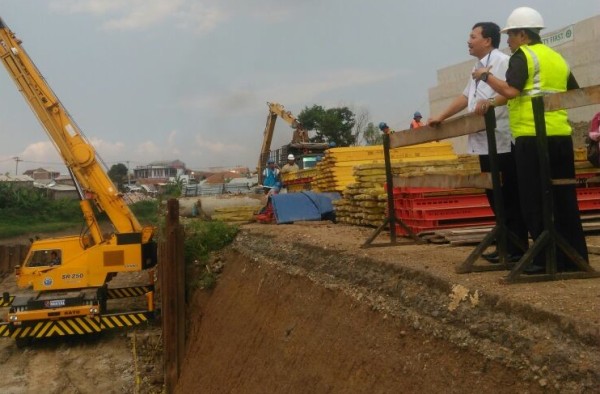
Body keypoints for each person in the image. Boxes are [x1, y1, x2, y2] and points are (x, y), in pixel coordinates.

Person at [472, 7, 588, 273]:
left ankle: (544, 259)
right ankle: (574, 259)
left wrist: (486, 76)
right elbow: (574, 92)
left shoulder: (522, 56)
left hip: (531, 137)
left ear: (523, 34)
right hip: (560, 137)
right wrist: (492, 102)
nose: (509, 41)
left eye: (511, 35)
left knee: (534, 200)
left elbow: (512, 90)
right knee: (563, 198)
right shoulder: (557, 58)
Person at [428, 21, 528, 263]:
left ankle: (516, 249)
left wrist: (490, 103)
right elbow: (466, 97)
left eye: (473, 36)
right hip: (484, 141)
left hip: (501, 140)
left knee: (508, 195)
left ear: (487, 41)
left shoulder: (502, 62)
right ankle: (505, 244)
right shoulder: (478, 67)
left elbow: (507, 92)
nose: (468, 41)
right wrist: (441, 116)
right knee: (494, 195)